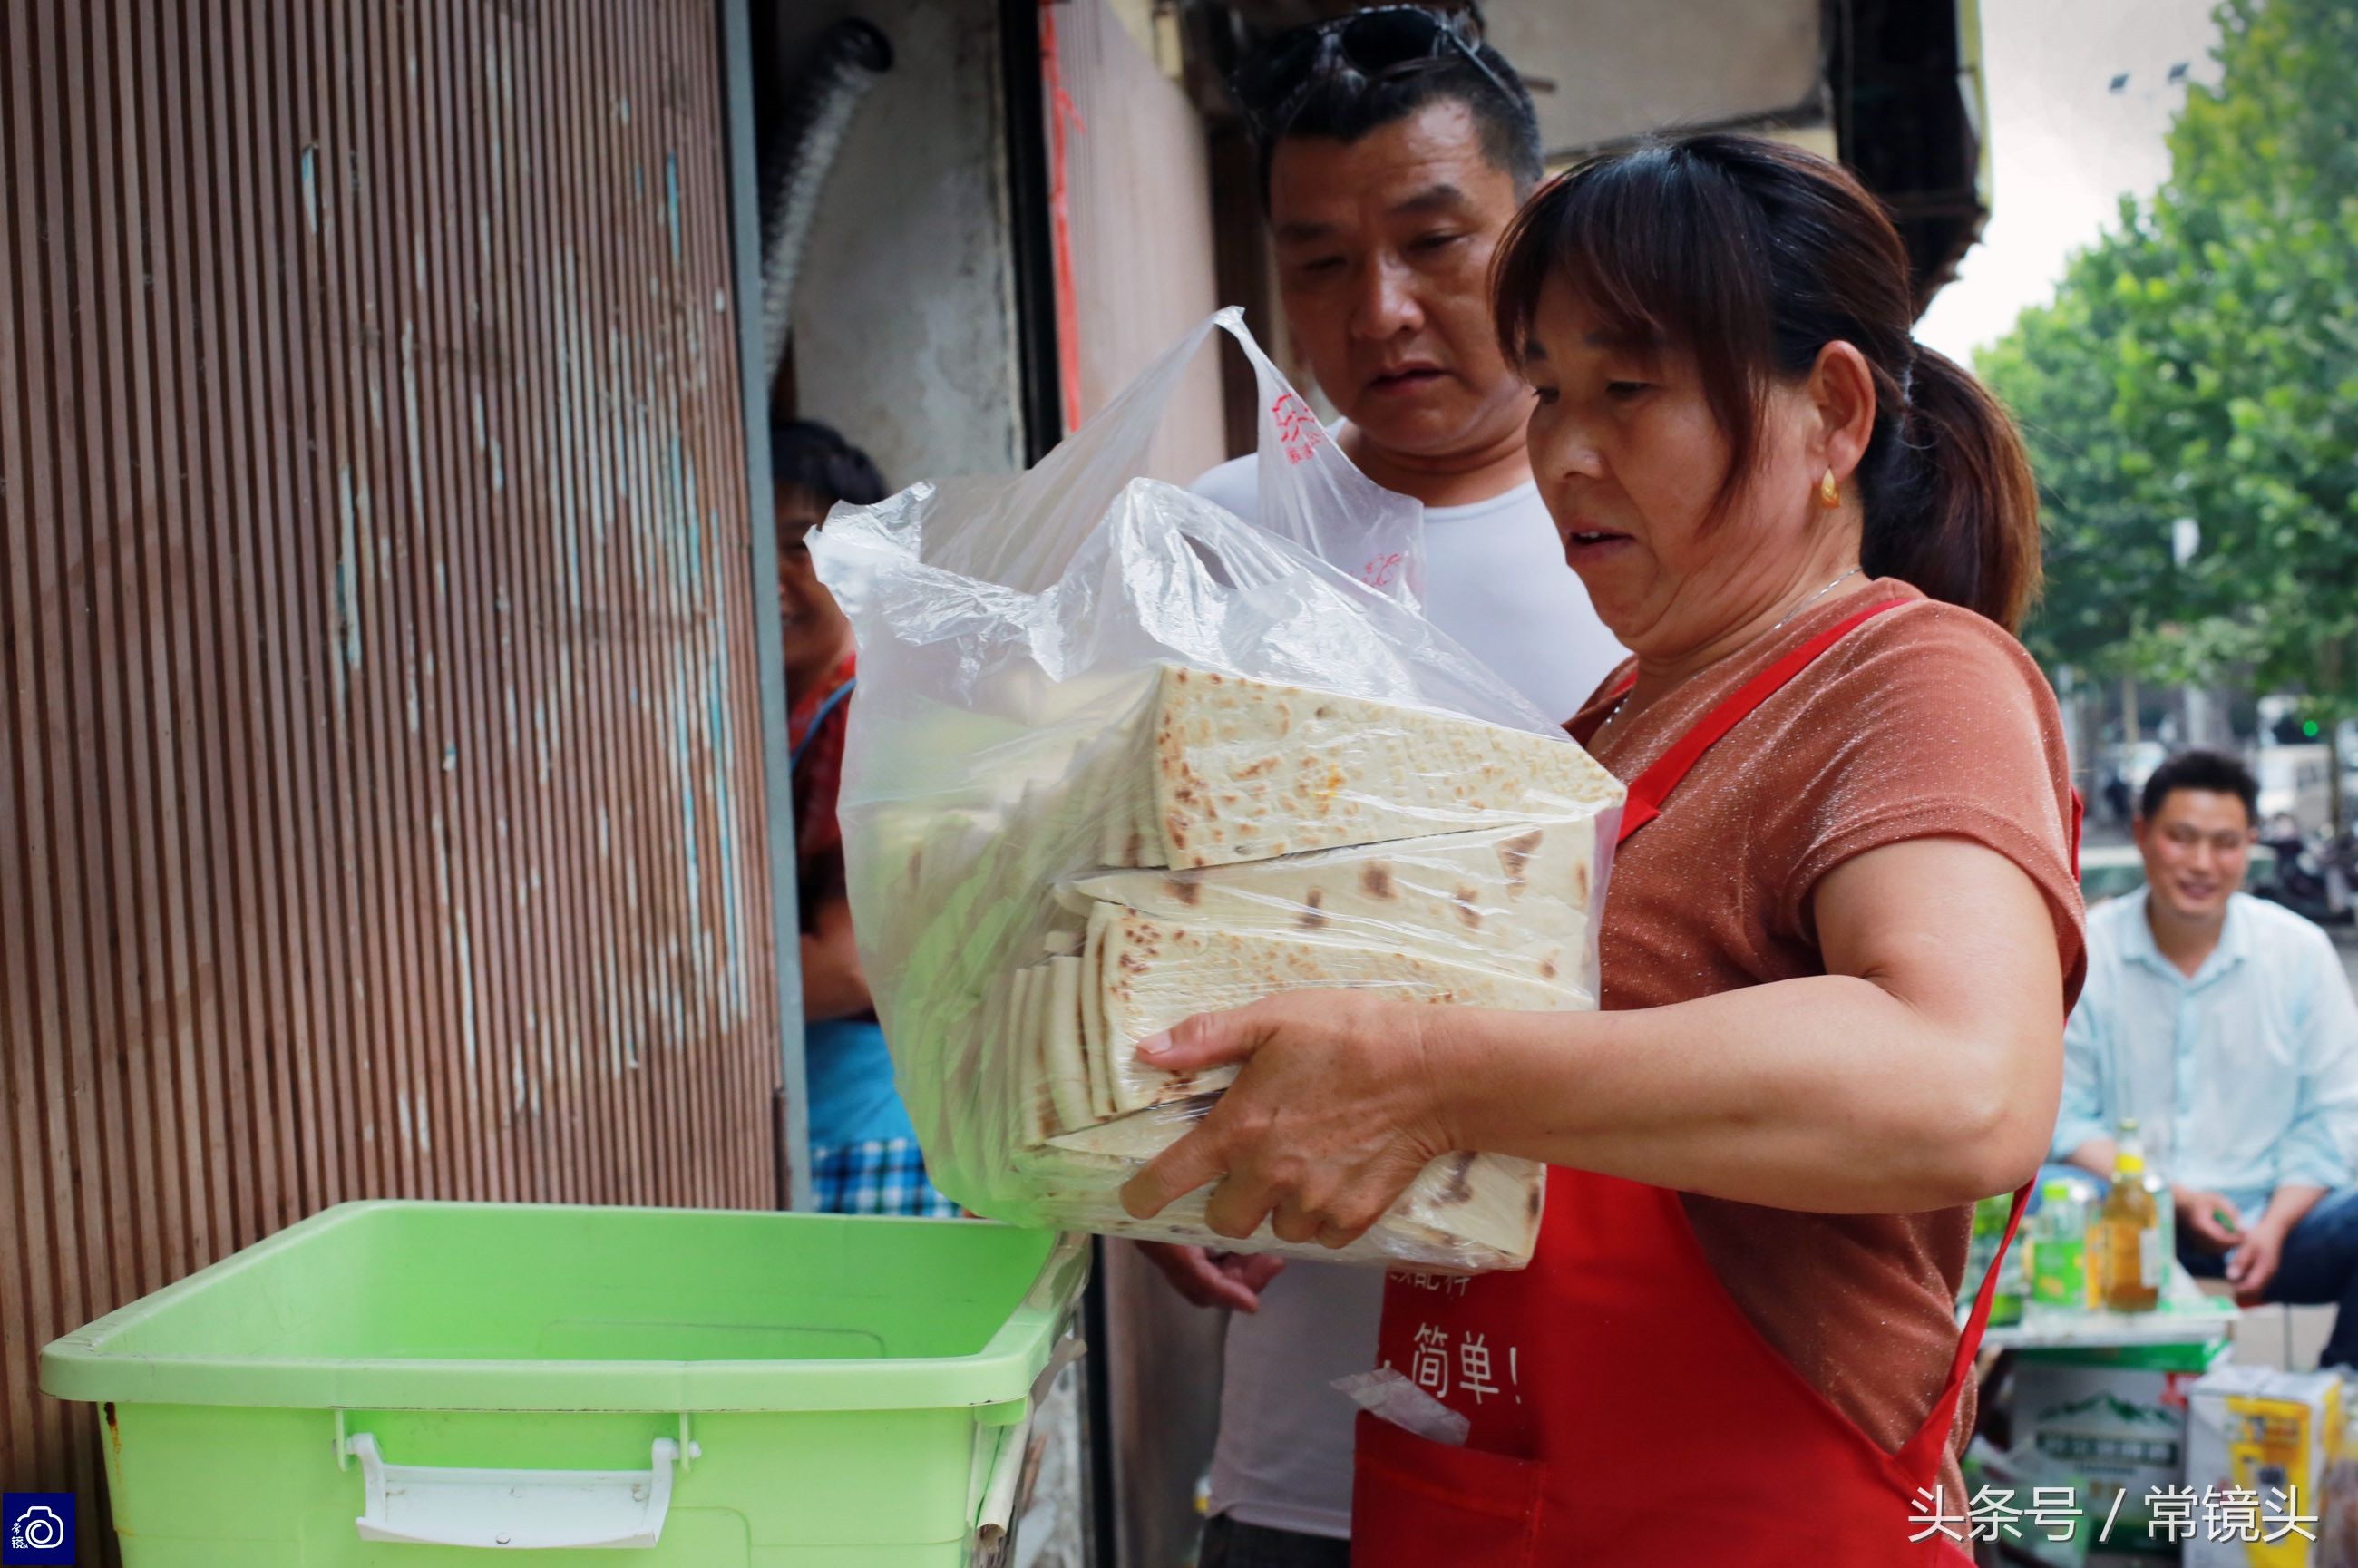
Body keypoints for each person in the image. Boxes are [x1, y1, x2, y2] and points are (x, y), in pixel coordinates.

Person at [1123, 132, 2085, 1563]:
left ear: (1830, 413)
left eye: (1627, 390)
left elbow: (1964, 1084)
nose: (1564, 453)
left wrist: (1429, 1078)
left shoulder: (1914, 676)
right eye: (1551, 389)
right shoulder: (1619, 717)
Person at [1155, 12, 1624, 1565]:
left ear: (1539, 225)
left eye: (1437, 243)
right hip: (1311, 1435)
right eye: (1318, 263)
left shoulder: (1654, 535)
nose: (1384, 311)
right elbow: (1133, 906)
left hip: (1623, 1405)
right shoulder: (1210, 546)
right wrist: (1144, 1164)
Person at [2051, 749, 2358, 1354]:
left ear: (2249, 845)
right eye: (2181, 838)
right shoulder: (2087, 951)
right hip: (2122, 1219)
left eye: (2224, 843)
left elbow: (2333, 1118)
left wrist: (2271, 1226)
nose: (2201, 864)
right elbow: (2060, 1114)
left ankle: (2337, 1403)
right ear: (2142, 834)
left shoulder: (2299, 953)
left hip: (2273, 1225)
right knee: (2031, 1192)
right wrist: (2175, 1197)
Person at [775, 420, 958, 1217]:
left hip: (871, 1133)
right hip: (839, 1123)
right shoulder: (801, 713)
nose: (767, 574)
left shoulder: (860, 712)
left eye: (796, 545)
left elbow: (850, 965)